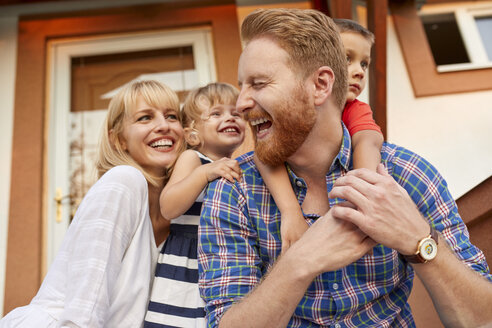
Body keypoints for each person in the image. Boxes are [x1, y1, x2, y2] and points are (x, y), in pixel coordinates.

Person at [198, 8, 492, 328]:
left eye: (258, 83)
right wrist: (299, 262)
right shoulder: (232, 189)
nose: (240, 103)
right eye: (241, 86)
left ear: (321, 85)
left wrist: (420, 241)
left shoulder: (409, 174)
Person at [0, 80, 185, 328]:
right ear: (118, 139)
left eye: (172, 116)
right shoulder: (124, 181)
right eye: (145, 118)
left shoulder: (178, 208)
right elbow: (87, 299)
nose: (164, 126)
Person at [256, 18, 383, 252]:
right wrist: (291, 213)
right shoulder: (286, 106)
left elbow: (368, 141)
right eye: (347, 58)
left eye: (364, 64)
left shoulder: (356, 110)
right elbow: (264, 155)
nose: (359, 72)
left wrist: (362, 197)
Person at [144, 82, 245, 327]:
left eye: (236, 113)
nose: (229, 118)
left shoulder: (239, 167)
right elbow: (169, 208)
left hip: (222, 261)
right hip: (188, 262)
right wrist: (205, 173)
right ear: (192, 134)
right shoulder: (193, 159)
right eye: (216, 113)